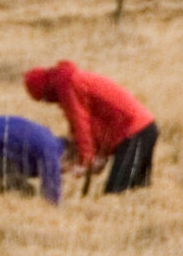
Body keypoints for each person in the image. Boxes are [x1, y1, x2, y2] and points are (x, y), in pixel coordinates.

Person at [23, 61, 158, 193]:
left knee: (116, 193)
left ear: (47, 90)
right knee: (136, 191)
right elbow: (98, 124)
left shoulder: (69, 86)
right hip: (142, 128)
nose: (48, 102)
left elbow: (82, 125)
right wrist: (99, 155)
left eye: (44, 98)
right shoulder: (71, 80)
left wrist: (86, 162)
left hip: (135, 132)